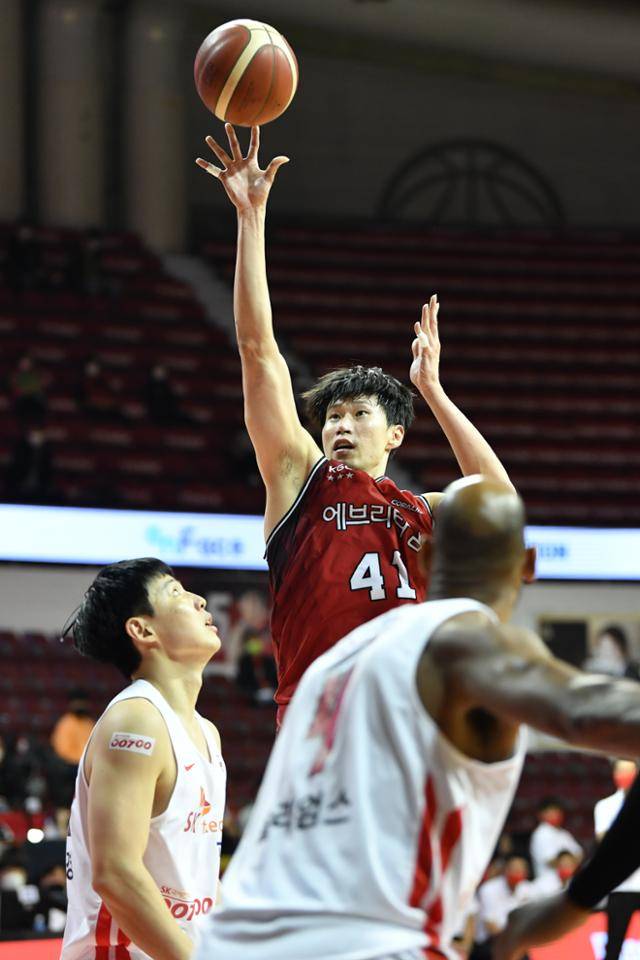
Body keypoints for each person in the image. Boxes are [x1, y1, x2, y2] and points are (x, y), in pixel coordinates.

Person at [196, 476, 640, 960]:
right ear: (527, 566)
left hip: (229, 941)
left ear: (425, 556)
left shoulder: (332, 663)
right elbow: (590, 716)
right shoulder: (468, 639)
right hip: (363, 945)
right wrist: (576, 902)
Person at [197, 125, 515, 723]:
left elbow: (498, 501)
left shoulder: (422, 510)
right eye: (333, 416)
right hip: (323, 718)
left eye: (359, 414)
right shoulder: (301, 478)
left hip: (405, 717)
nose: (340, 426)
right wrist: (251, 219)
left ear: (395, 434)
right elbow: (258, 350)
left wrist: (433, 392)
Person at [60, 558, 225, 960]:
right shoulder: (136, 720)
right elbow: (115, 873)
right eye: (175, 592)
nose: (199, 600)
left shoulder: (207, 732)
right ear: (142, 629)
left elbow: (198, 883)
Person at [494, 768, 640, 960]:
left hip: (583, 890)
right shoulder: (542, 834)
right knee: (611, 939)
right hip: (558, 888)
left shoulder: (563, 834)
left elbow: (578, 856)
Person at [593, 759, 640, 960]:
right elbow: (603, 841)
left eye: (628, 771)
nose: (624, 775)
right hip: (620, 886)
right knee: (613, 946)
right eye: (621, 770)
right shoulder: (605, 806)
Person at [529, 798, 582, 881]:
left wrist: (565, 860)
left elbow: (580, 854)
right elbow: (550, 861)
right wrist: (569, 860)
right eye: (551, 811)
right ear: (541, 814)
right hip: (548, 884)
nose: (555, 814)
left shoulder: (564, 833)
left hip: (567, 882)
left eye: (557, 811)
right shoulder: (541, 833)